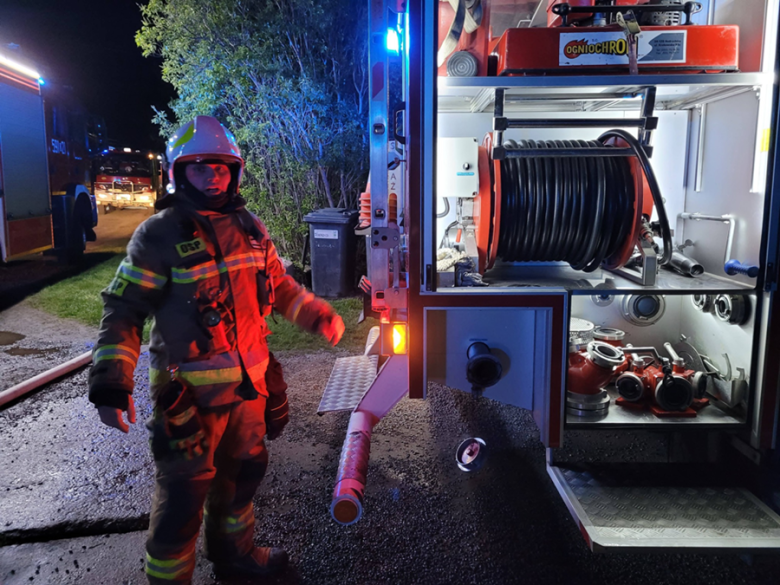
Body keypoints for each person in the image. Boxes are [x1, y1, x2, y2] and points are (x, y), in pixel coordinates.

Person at [88, 115, 345, 584]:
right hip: (189, 403)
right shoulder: (159, 235)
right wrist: (110, 383)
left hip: (249, 393)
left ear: (236, 171)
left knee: (242, 481)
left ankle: (236, 558)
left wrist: (316, 313)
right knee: (184, 498)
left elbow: (281, 287)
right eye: (200, 167)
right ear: (179, 172)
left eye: (222, 167)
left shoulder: (249, 228)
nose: (213, 176)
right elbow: (123, 308)